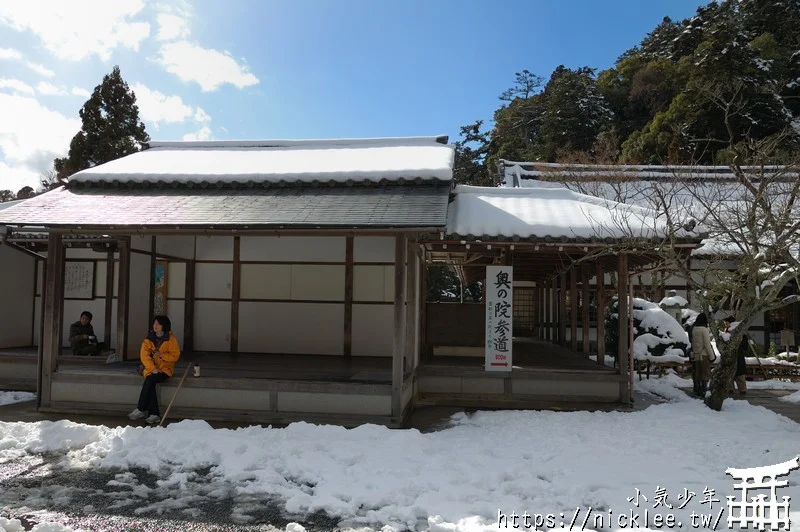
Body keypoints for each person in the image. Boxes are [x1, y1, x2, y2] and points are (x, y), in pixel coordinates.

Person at [128, 316, 181, 424]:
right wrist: (153, 368)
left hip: (165, 370)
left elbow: (175, 356)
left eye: (158, 324)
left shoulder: (171, 339)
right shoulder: (148, 339)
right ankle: (154, 414)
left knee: (150, 381)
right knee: (150, 381)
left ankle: (141, 408)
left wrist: (162, 355)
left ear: (164, 326)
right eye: (154, 324)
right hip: (150, 369)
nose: (155, 326)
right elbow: (144, 356)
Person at [691, 313, 716, 397]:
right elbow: (707, 344)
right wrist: (712, 356)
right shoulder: (704, 329)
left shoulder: (694, 329)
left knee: (697, 373)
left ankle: (697, 389)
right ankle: (703, 390)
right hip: (704, 354)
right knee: (705, 373)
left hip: (696, 354)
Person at [723, 315, 748, 396]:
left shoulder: (733, 330)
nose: (725, 324)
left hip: (736, 353)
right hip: (737, 353)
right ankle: (740, 389)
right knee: (736, 372)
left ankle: (733, 389)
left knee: (735, 372)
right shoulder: (739, 330)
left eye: (726, 322)